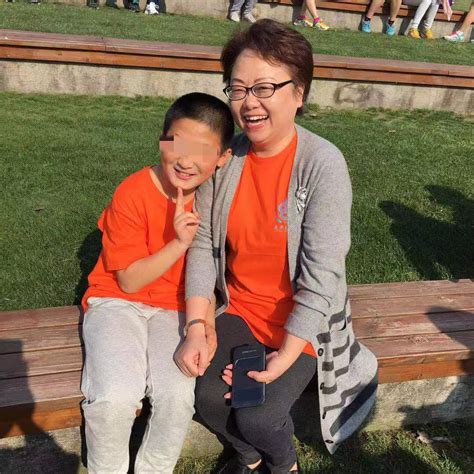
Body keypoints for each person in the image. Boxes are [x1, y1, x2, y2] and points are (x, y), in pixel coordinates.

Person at [176, 19, 378, 474]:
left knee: (260, 415)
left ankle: (284, 465)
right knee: (206, 397)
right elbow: (203, 244)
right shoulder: (227, 158)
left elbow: (324, 272)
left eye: (264, 88)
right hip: (242, 309)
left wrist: (284, 356)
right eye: (238, 88)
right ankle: (249, 458)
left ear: (299, 93)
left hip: (303, 322)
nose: (249, 102)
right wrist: (197, 324)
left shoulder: (322, 164)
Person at [80, 93, 234, 474]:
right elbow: (129, 280)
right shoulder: (133, 191)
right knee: (115, 396)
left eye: (201, 151)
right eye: (177, 144)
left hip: (174, 308)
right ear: (162, 140)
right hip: (116, 302)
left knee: (178, 396)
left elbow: (209, 272)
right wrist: (178, 244)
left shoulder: (212, 203)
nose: (185, 160)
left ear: (222, 158)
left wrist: (206, 324)